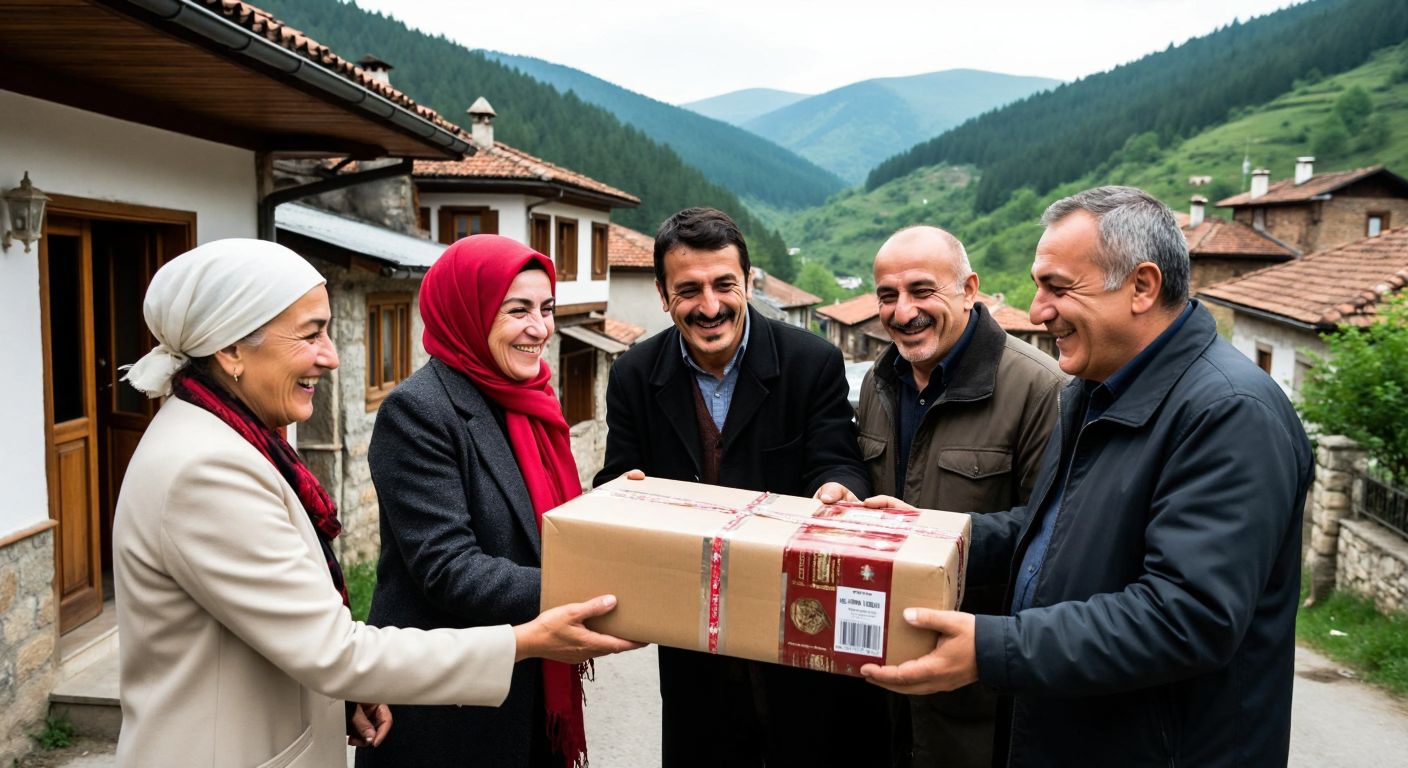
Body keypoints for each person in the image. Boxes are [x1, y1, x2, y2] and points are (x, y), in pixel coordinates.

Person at [112, 239, 638, 768]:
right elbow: (340, 645)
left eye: (545, 309)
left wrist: (608, 511)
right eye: (312, 333)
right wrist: (528, 638)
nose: (332, 355)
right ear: (230, 351)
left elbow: (281, 624)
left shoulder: (234, 435)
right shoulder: (207, 469)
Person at [860, 187, 1313, 767]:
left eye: (1057, 287)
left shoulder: (1228, 412)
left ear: (1142, 288)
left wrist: (994, 647)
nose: (1039, 308)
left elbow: (1187, 615)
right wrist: (938, 533)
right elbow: (1051, 530)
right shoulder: (1093, 391)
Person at [595, 207, 884, 767]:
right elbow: (617, 475)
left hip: (793, 625)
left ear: (748, 282)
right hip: (691, 637)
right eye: (688, 290)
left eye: (724, 284)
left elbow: (837, 461)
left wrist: (837, 489)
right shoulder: (634, 374)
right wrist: (619, 493)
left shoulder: (811, 363)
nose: (709, 306)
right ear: (662, 294)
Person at [357, 235, 615, 768]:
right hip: (449, 710)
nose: (540, 329)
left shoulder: (530, 402)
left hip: (527, 683)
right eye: (517, 310)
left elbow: (537, 522)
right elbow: (449, 567)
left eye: (546, 309)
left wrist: (617, 509)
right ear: (466, 312)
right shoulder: (419, 412)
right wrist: (590, 592)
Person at [855, 226, 1065, 767]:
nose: (903, 313)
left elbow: (1055, 534)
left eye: (923, 291)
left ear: (970, 289)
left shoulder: (1040, 388)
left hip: (978, 691)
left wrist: (937, 536)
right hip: (878, 670)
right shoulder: (877, 383)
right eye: (887, 295)